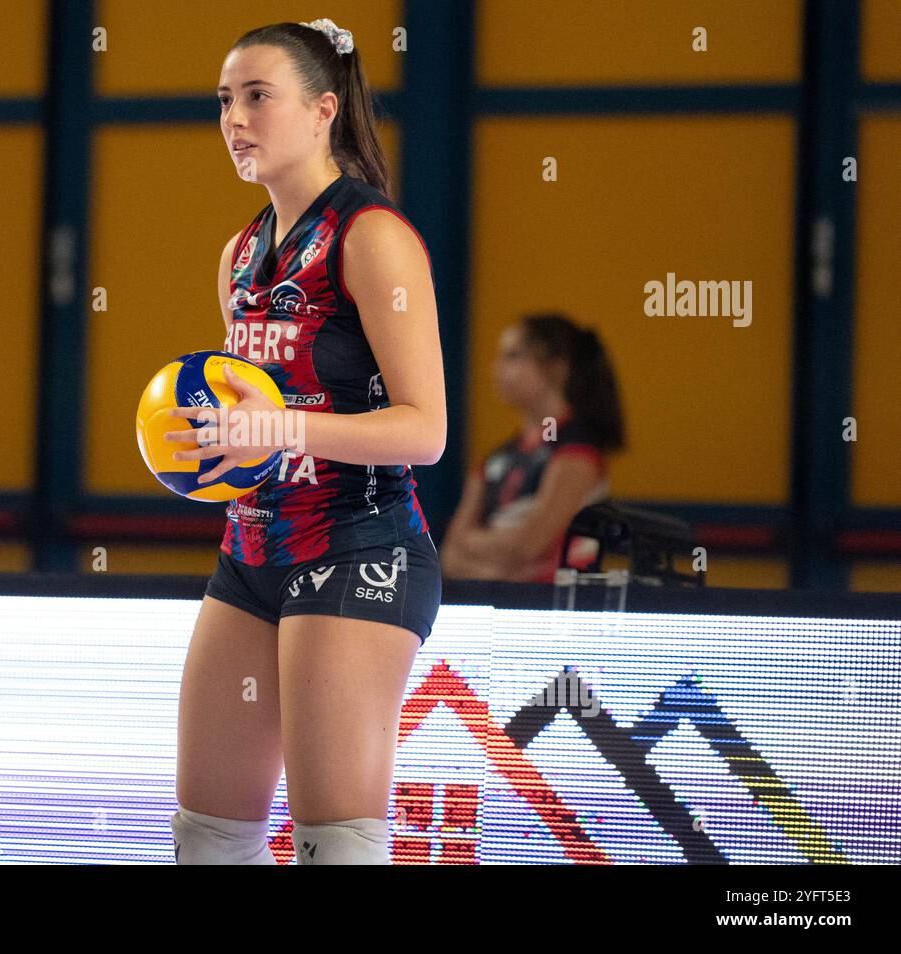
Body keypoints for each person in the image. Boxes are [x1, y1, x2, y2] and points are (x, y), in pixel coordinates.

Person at [162, 18, 446, 864]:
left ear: (323, 110)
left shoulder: (374, 238)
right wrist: (201, 442)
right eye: (224, 101)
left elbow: (424, 430)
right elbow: (251, 415)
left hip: (361, 549)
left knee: (335, 843)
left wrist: (281, 426)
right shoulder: (242, 252)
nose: (235, 119)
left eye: (257, 97)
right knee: (208, 839)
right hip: (251, 546)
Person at [440, 313, 626, 582]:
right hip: (498, 604)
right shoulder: (497, 458)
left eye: (513, 356)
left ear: (555, 368)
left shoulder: (576, 451)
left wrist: (476, 549)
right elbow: (450, 553)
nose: (497, 368)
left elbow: (529, 546)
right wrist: (501, 570)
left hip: (552, 612)